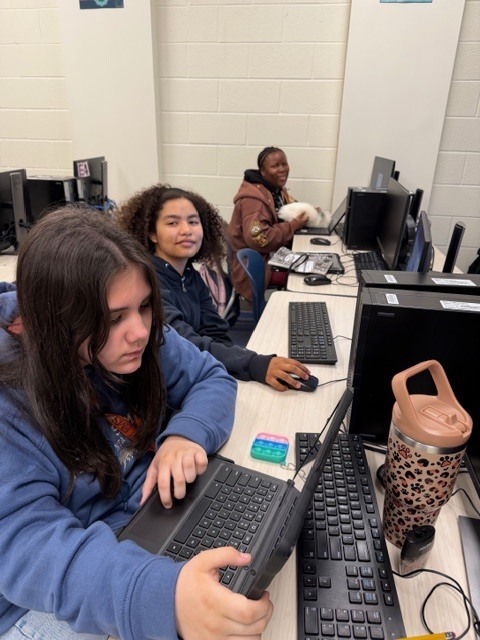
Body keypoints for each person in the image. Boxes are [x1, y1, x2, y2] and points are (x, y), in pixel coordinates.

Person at [0, 206, 273, 640]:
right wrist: (160, 597)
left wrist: (185, 434)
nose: (140, 333)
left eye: (145, 307)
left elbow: (209, 376)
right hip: (45, 592)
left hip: (141, 524)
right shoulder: (9, 401)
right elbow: (25, 547)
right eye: (113, 319)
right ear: (55, 324)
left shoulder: (136, 332)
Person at [116, 184, 311, 392]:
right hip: (164, 389)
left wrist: (241, 369)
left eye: (193, 221)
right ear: (152, 234)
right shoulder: (146, 283)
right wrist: (253, 364)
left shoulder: (190, 275)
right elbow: (186, 344)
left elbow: (215, 332)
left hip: (197, 373)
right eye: (173, 223)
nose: (186, 230)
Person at [227, 146, 312, 301]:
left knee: (310, 261)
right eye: (275, 166)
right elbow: (260, 239)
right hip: (254, 266)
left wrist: (310, 213)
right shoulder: (254, 200)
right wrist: (293, 226)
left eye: (284, 164)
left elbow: (285, 211)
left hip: (270, 256)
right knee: (304, 273)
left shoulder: (274, 190)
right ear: (263, 172)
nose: (282, 169)